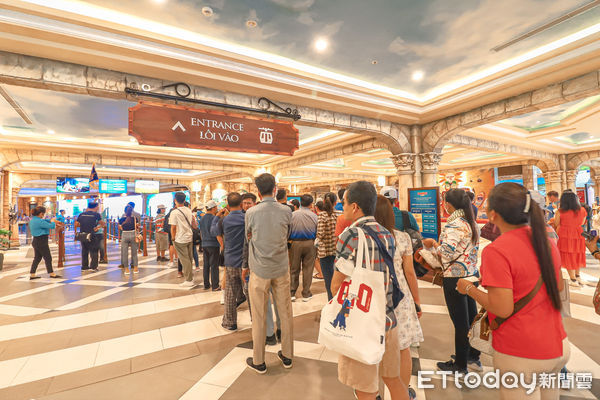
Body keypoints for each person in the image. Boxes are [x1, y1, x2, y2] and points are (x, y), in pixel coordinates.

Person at [457, 183, 569, 400]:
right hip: (557, 343)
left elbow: (502, 308)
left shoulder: (497, 250)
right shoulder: (547, 241)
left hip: (521, 349)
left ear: (492, 214)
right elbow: (558, 287)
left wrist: (468, 288)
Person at [330, 181, 407, 400]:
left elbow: (337, 284)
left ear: (354, 206)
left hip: (363, 324)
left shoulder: (351, 235)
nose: (341, 207)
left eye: (343, 203)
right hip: (388, 318)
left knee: (366, 388)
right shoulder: (387, 233)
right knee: (392, 378)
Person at [423, 188, 481, 374]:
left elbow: (446, 253)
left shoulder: (454, 225)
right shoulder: (470, 222)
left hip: (455, 279)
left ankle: (460, 364)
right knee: (471, 318)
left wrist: (434, 244)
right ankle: (473, 355)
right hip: (471, 275)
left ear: (448, 204)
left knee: (460, 322)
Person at [243, 173, 293, 374]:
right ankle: (288, 356)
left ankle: (259, 360)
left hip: (259, 269)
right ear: (275, 189)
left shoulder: (251, 212)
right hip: (281, 267)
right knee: (286, 313)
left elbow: (249, 237)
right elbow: (287, 234)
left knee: (259, 315)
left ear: (257, 191)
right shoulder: (286, 211)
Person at [374, 195, 423, 399]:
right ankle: (402, 392)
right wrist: (417, 302)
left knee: (374, 348)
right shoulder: (401, 237)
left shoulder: (367, 237)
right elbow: (409, 273)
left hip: (375, 297)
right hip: (400, 297)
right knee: (403, 348)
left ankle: (373, 391)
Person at [221, 192, 246, 331]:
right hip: (245, 261)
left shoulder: (225, 220)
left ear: (228, 206)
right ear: (241, 204)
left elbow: (215, 231)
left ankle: (230, 322)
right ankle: (256, 322)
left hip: (230, 260)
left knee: (230, 293)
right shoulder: (246, 218)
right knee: (250, 293)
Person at [289, 194, 318, 302]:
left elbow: (289, 230)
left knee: (294, 269)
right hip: (310, 243)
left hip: (295, 243)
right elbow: (317, 231)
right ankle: (306, 293)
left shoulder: (293, 215)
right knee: (308, 269)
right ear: (311, 204)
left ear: (300, 202)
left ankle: (292, 293)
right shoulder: (314, 216)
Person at [555, 191, 587, 286]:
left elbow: (557, 223)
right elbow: (582, 223)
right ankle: (578, 276)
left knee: (568, 255)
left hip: (565, 234)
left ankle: (573, 280)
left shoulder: (560, 211)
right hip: (578, 234)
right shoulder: (582, 210)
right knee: (578, 253)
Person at [170, 192, 198, 287]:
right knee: (189, 258)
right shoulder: (188, 210)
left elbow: (173, 227)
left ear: (175, 201)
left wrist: (173, 238)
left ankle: (189, 280)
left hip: (180, 238)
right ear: (184, 200)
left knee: (184, 259)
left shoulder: (174, 212)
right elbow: (194, 224)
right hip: (189, 237)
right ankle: (190, 277)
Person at [28, 206, 62, 280]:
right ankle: (51, 273)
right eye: (43, 214)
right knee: (48, 257)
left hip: (36, 241)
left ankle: (32, 274)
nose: (43, 215)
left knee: (37, 258)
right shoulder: (40, 221)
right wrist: (53, 221)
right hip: (41, 241)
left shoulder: (33, 220)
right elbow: (51, 226)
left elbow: (46, 221)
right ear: (40, 213)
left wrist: (52, 221)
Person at [316, 192, 338, 300]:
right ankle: (337, 300)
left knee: (328, 279)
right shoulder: (338, 214)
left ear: (324, 201)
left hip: (325, 251)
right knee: (337, 278)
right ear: (335, 202)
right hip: (336, 250)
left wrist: (317, 240)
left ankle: (331, 301)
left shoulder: (322, 215)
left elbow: (320, 233)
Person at [75, 202, 104, 272]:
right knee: (94, 250)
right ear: (96, 207)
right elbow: (102, 223)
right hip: (92, 234)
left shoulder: (81, 214)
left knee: (84, 251)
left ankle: (84, 266)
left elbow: (76, 224)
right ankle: (93, 267)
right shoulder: (97, 215)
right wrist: (97, 228)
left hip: (83, 235)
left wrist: (82, 227)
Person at [199, 200, 220, 290]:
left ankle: (206, 284)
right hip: (213, 244)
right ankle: (215, 286)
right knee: (214, 265)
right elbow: (217, 232)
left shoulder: (202, 218)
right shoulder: (214, 218)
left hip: (204, 243)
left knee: (206, 265)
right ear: (214, 208)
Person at [119, 205, 139, 275]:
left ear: (124, 211)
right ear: (132, 211)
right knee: (134, 253)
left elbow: (120, 228)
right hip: (133, 234)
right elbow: (137, 226)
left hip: (125, 235)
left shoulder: (121, 219)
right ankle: (136, 268)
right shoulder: (135, 218)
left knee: (125, 253)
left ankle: (126, 269)